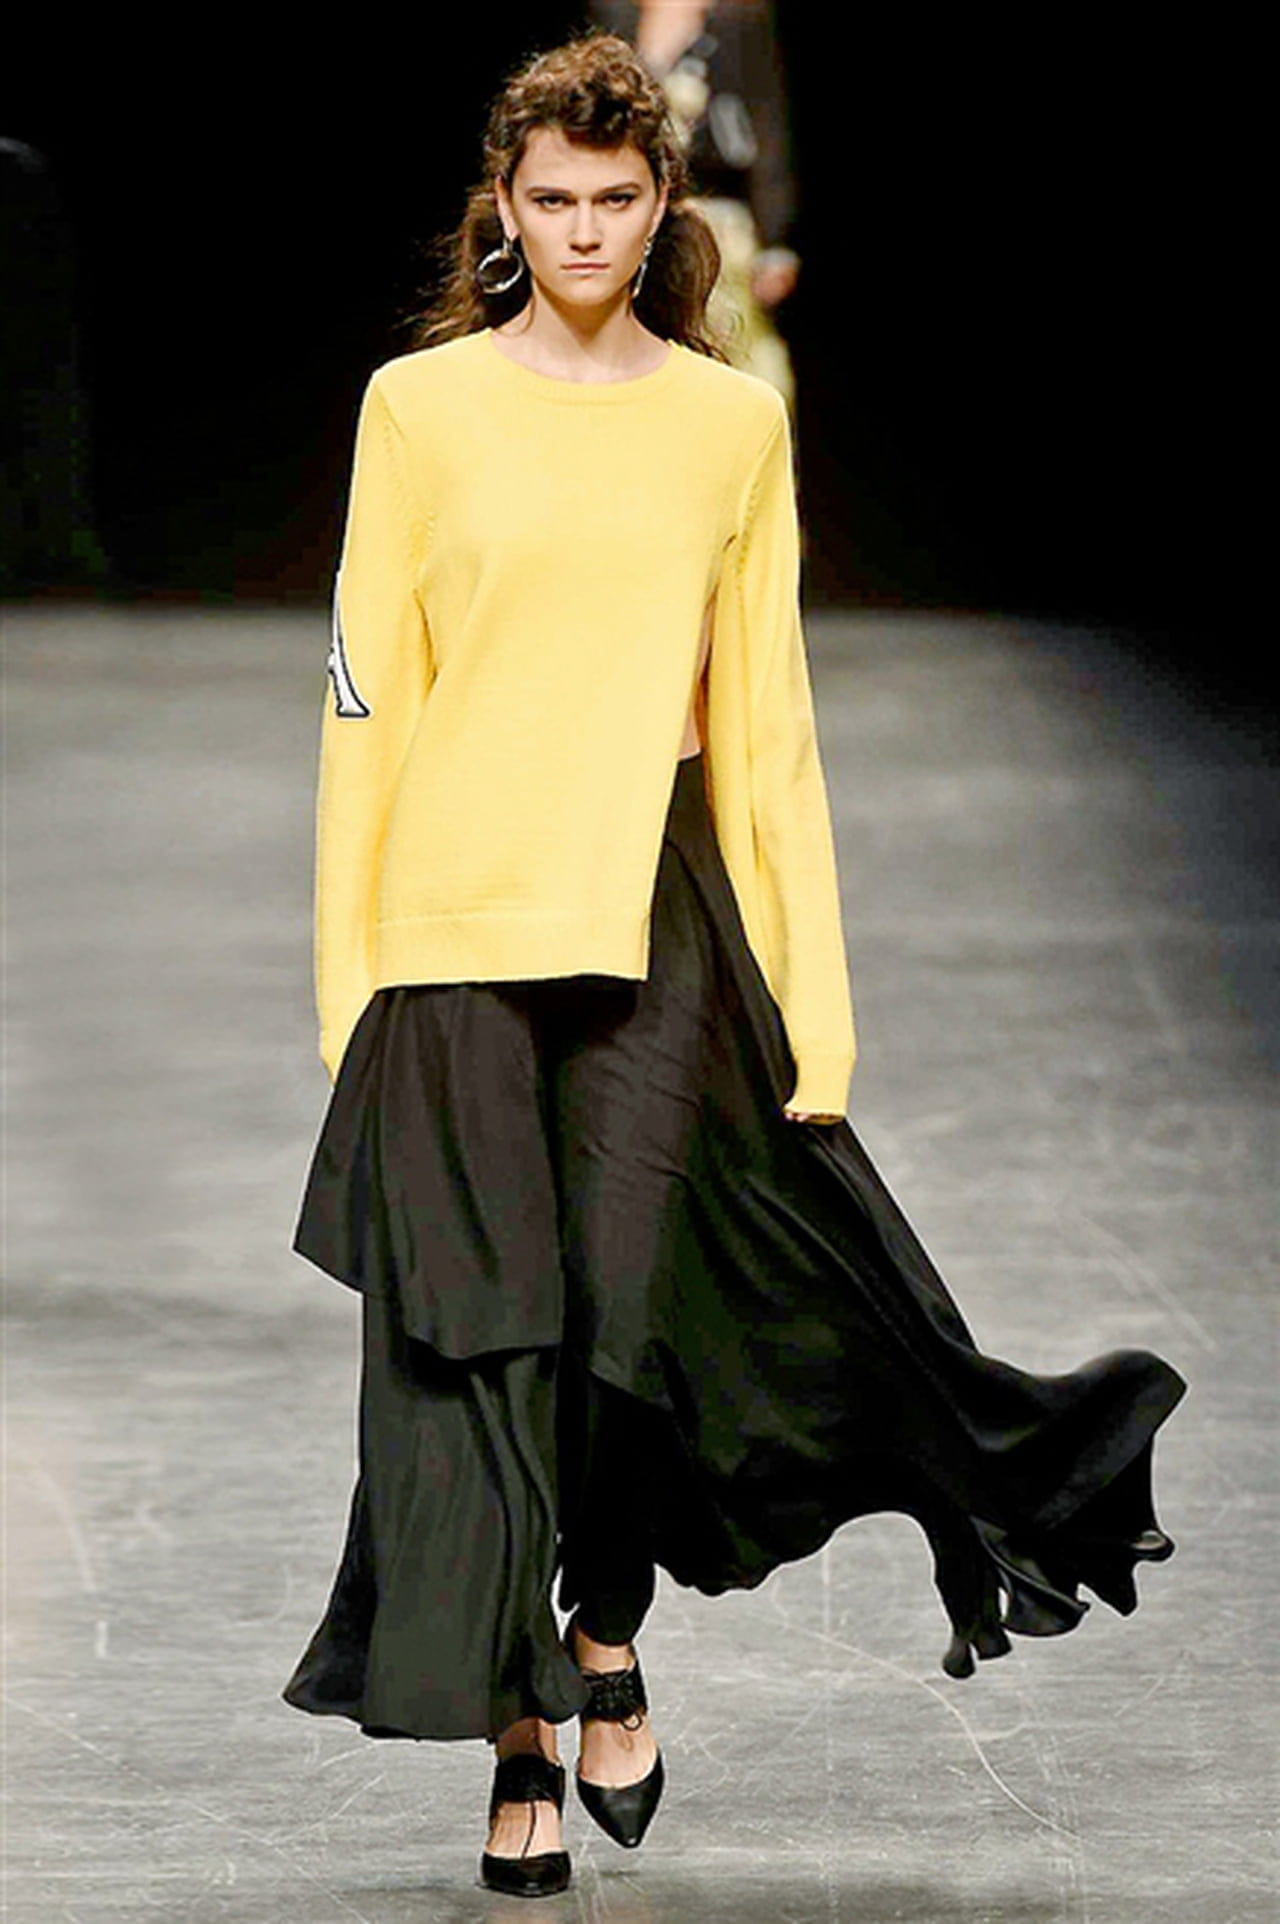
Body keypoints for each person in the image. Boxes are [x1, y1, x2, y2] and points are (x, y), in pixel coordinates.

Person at [282, 29, 1186, 1902]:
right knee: (484, 1350)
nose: (584, 229)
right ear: (505, 206)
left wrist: (818, 1011)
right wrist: (346, 982)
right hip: (454, 932)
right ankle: (521, 1734)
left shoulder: (725, 427)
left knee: (623, 1335)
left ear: (659, 208)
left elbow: (770, 736)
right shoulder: (417, 409)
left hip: (653, 923)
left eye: (616, 199)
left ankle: (604, 1626)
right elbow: (365, 704)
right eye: (553, 198)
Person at [589, 0, 801, 405]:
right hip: (633, 218)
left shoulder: (739, 17)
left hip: (718, 222)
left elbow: (766, 121)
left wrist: (775, 240)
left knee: (736, 350)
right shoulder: (616, 16)